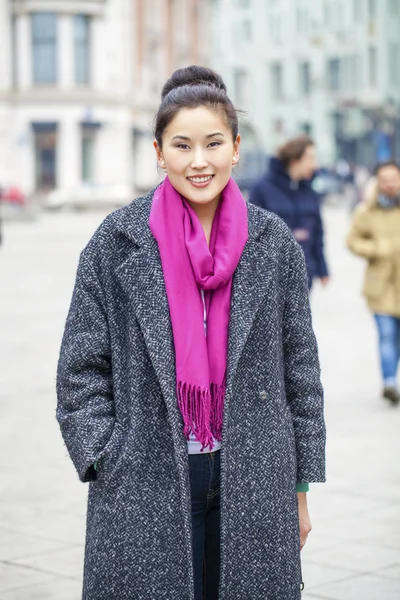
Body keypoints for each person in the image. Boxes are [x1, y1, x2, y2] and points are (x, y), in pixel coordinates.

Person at [56, 66, 326, 600]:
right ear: (159, 152)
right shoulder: (117, 242)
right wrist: (106, 457)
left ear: (236, 148)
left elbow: (301, 371)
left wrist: (298, 487)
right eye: (182, 145)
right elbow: (80, 369)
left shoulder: (272, 246)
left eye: (213, 143)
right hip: (145, 477)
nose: (198, 161)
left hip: (255, 477)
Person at [347, 160, 400, 405]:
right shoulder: (366, 211)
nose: (390, 184)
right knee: (387, 336)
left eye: (394, 178)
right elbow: (352, 241)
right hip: (380, 286)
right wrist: (377, 249)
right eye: (385, 179)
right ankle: (389, 381)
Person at [249, 135, 329, 289]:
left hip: (304, 277)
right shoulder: (262, 189)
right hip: (271, 279)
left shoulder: (310, 192)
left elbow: (317, 234)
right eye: (310, 159)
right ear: (294, 160)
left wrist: (322, 269)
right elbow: (251, 234)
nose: (315, 165)